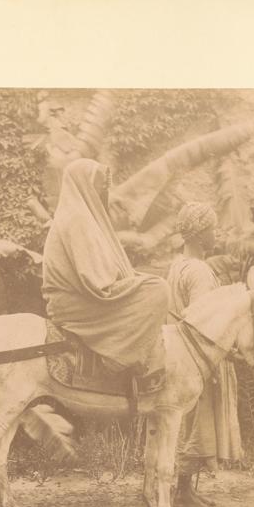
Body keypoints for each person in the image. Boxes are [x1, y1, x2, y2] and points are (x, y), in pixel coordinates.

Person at [42, 159, 169, 376]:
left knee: (150, 283)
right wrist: (129, 281)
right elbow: (94, 278)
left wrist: (131, 279)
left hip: (84, 294)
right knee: (158, 289)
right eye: (99, 187)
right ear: (84, 187)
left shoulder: (82, 218)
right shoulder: (76, 219)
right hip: (77, 300)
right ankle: (117, 360)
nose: (103, 193)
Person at [166, 202, 243, 507]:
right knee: (196, 423)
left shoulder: (179, 265)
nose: (216, 235)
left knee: (189, 423)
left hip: (180, 355)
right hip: (197, 359)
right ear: (199, 235)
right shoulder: (198, 271)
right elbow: (204, 320)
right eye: (212, 229)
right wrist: (228, 351)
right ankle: (182, 492)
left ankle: (186, 490)